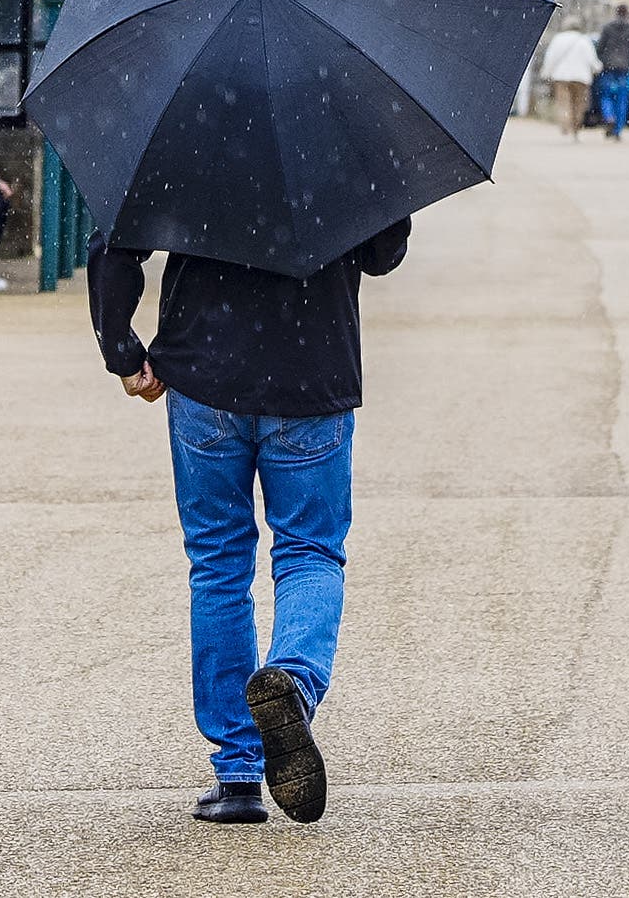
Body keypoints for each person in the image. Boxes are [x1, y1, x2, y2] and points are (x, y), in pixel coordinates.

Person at [91, 216, 413, 827]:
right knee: (310, 552)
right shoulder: (348, 128)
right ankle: (292, 679)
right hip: (314, 369)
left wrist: (123, 350)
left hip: (205, 369)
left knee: (218, 564)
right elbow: (381, 253)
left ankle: (237, 774)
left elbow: (115, 241)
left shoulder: (180, 127)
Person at [594, 4, 629, 141]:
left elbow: (599, 48)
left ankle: (609, 116)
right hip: (624, 68)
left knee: (606, 95)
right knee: (622, 99)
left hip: (608, 66)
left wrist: (605, 58)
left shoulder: (607, 28)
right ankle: (617, 130)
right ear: (627, 13)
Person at [539, 25, 601, 137]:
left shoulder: (558, 39)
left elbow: (551, 57)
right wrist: (597, 68)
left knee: (563, 102)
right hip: (581, 77)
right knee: (579, 103)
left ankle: (565, 124)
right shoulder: (584, 40)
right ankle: (576, 126)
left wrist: (546, 72)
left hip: (561, 76)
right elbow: (591, 59)